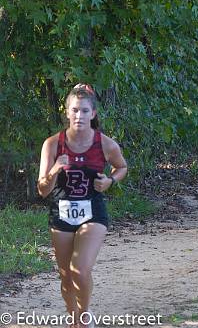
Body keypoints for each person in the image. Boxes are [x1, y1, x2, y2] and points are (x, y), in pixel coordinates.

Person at [37, 84, 128, 328]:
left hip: (92, 212)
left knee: (79, 269)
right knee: (66, 277)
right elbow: (42, 190)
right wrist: (56, 168)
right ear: (66, 112)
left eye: (85, 111)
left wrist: (110, 181)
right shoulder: (53, 144)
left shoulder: (105, 144)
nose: (79, 116)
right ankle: (73, 317)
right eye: (75, 110)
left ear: (93, 114)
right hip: (61, 212)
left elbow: (122, 167)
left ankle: (84, 317)